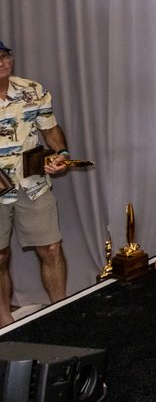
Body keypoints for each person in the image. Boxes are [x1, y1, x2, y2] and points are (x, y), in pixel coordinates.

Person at [0, 39, 72, 326]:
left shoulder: (32, 90)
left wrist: (62, 154)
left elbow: (50, 128)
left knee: (51, 248)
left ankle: (61, 313)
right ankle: (4, 321)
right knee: (0, 255)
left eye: (5, 56)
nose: (2, 62)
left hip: (32, 182)